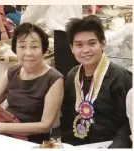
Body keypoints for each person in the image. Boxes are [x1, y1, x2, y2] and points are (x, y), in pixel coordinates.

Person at [61, 15, 132, 148]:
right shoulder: (72, 75)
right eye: (79, 45)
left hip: (110, 144)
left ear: (103, 44)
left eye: (92, 43)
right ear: (71, 48)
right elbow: (67, 116)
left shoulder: (121, 78)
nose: (86, 50)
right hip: (77, 144)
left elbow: (128, 125)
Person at [0, 23, 64, 144]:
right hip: (5, 132)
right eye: (22, 47)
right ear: (15, 49)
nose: (28, 53)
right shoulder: (12, 71)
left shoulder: (54, 79)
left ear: (44, 49)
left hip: (31, 140)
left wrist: (1, 127)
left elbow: (45, 125)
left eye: (34, 47)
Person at [21, 5, 82, 77]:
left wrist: (22, 27)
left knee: (67, 76)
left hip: (64, 37)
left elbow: (36, 8)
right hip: (77, 33)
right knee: (77, 74)